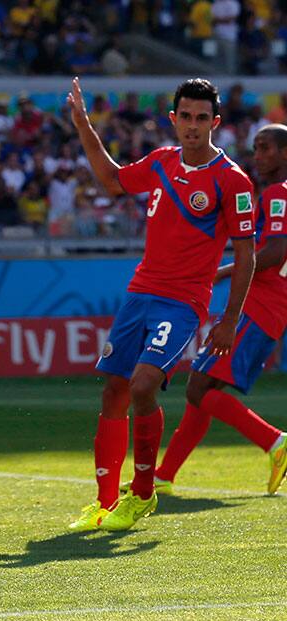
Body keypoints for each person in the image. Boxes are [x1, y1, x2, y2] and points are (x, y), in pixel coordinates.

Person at [66, 77, 256, 532]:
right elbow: (112, 181)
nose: (193, 126)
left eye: (201, 118)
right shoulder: (160, 163)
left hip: (183, 301)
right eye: (185, 117)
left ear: (216, 122)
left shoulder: (232, 180)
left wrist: (229, 320)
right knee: (113, 390)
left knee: (143, 385)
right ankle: (105, 502)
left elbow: (247, 252)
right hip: (140, 293)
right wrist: (83, 124)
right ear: (173, 120)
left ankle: (145, 491)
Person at [148, 124, 287, 495]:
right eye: (255, 147)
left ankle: (276, 442)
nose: (258, 155)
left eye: (266, 148)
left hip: (259, 305)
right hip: (271, 308)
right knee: (204, 390)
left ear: (285, 153)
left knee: (197, 387)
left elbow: (275, 252)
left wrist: (223, 271)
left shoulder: (278, 195)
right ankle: (164, 475)